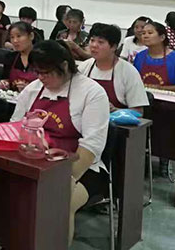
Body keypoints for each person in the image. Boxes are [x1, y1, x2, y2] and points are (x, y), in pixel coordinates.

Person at [10, 40, 110, 246]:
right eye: (37, 72)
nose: (41, 78)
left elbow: (91, 146)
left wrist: (66, 180)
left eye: (46, 72)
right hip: (35, 163)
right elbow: (14, 128)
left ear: (64, 66)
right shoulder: (33, 90)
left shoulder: (92, 92)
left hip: (82, 168)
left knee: (59, 202)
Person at [78, 23, 149, 112]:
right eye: (92, 40)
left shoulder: (129, 72)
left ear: (114, 47)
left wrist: (116, 110)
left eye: (100, 42)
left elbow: (138, 111)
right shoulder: (83, 67)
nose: (94, 45)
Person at [133, 21, 175, 93]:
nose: (145, 36)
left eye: (150, 33)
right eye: (143, 33)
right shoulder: (139, 57)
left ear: (162, 37)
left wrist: (160, 88)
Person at [0, 22, 37, 92]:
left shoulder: (42, 58)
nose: (15, 41)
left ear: (31, 36)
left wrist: (29, 89)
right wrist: (4, 83)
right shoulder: (11, 57)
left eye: (19, 36)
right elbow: (6, 78)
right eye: (12, 37)